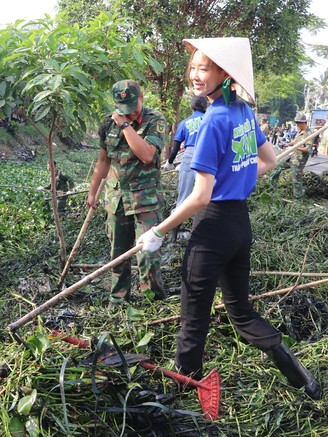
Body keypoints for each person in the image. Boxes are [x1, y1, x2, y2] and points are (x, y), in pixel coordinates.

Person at [137, 37, 321, 400]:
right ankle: (300, 375)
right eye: (193, 67)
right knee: (240, 311)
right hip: (239, 225)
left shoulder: (211, 122)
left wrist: (157, 231)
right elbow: (269, 161)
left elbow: (200, 196)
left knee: (193, 315)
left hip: (212, 226)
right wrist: (236, 177)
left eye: (203, 68)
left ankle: (181, 389)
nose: (194, 75)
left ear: (225, 73)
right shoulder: (243, 113)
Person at [87, 80, 167, 302]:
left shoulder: (155, 120)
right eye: (124, 110)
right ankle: (119, 301)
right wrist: (93, 192)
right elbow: (104, 160)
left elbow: (147, 155)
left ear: (141, 98)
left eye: (132, 107)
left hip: (146, 199)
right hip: (117, 198)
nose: (129, 114)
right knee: (118, 255)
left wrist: (125, 126)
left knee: (148, 255)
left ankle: (153, 302)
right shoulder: (107, 124)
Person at [163, 96, 208, 242]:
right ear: (205, 106)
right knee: (205, 195)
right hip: (207, 155)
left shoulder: (185, 122)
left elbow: (176, 146)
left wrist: (170, 162)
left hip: (189, 156)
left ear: (192, 107)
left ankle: (173, 238)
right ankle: (201, 235)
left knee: (183, 197)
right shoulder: (210, 119)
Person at [270, 113, 312, 198]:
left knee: (296, 180)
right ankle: (272, 188)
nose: (297, 125)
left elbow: (308, 150)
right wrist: (287, 144)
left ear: (304, 122)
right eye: (296, 123)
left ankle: (298, 198)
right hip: (292, 157)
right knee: (277, 166)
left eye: (298, 123)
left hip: (299, 160)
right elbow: (295, 142)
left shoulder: (309, 134)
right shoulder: (299, 131)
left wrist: (296, 148)